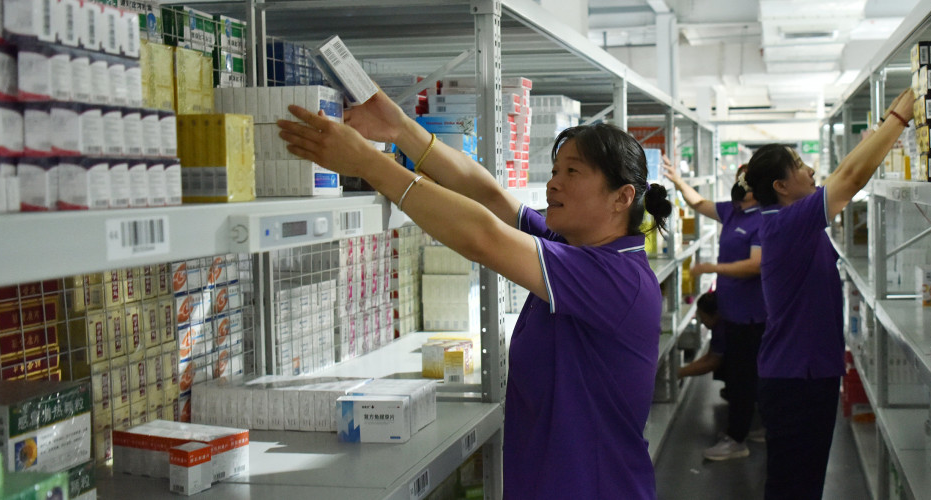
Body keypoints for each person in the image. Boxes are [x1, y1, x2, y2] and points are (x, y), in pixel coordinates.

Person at [276, 90, 672, 500]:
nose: (553, 182)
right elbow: (488, 196)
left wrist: (370, 164)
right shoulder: (572, 247)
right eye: (555, 169)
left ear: (622, 197)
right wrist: (401, 129)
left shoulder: (616, 278)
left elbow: (483, 236)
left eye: (572, 172)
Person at [744, 89, 916, 500]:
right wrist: (898, 119)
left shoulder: (787, 219)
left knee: (800, 484)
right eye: (801, 166)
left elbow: (845, 175)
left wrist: (874, 139)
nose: (810, 172)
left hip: (804, 375)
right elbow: (849, 180)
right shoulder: (788, 224)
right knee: (794, 487)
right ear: (781, 185)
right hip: (797, 382)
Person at [665, 161, 765, 461]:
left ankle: (736, 439)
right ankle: (756, 428)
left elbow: (755, 265)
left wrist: (712, 268)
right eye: (739, 177)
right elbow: (698, 203)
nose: (739, 182)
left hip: (751, 314)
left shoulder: (763, 220)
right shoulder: (732, 210)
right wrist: (678, 180)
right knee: (742, 374)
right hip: (732, 311)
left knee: (743, 378)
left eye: (745, 179)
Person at [677, 292, 723, 379]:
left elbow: (712, 363)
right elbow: (709, 356)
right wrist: (683, 370)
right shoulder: (717, 326)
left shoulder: (721, 332)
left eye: (703, 318)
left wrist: (681, 372)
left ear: (716, 314)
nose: (701, 322)